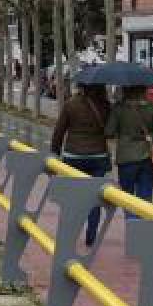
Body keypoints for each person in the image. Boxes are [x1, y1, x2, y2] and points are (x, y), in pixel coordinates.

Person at [51, 83, 112, 246]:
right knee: (95, 197)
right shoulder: (105, 105)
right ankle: (91, 235)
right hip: (98, 156)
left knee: (73, 197)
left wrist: (55, 151)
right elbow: (111, 131)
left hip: (73, 156)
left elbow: (59, 130)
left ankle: (69, 232)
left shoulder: (71, 104)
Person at [106, 84, 153, 217]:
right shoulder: (152, 110)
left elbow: (109, 132)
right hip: (149, 158)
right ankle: (141, 229)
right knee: (145, 200)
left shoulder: (119, 109)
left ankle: (132, 225)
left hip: (126, 158)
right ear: (144, 90)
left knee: (127, 199)